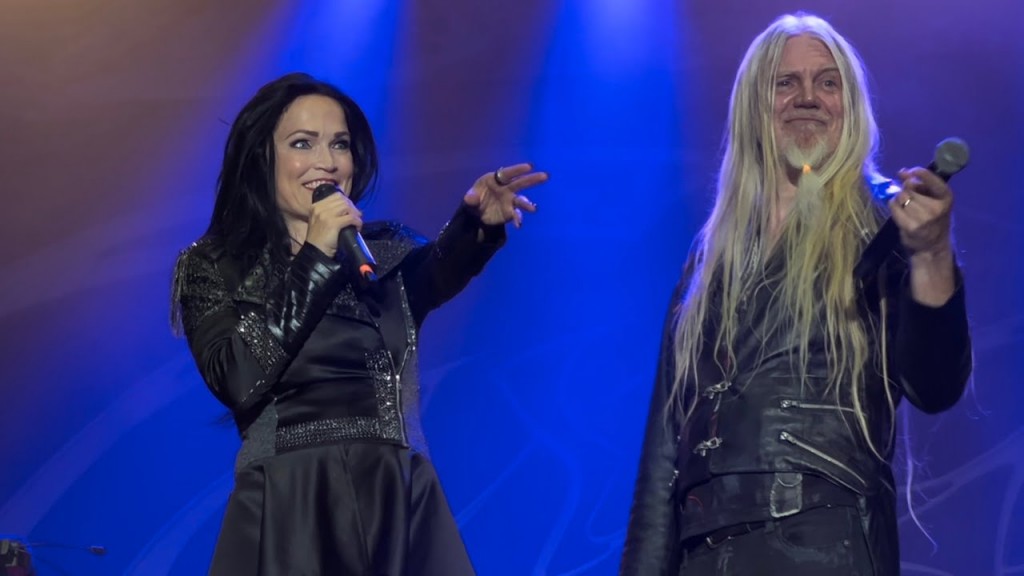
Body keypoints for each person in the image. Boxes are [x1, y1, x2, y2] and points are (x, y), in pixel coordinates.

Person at [620, 13, 971, 576]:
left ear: (850, 106)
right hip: (705, 556)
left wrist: (931, 255)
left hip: (824, 545)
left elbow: (935, 385)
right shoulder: (708, 260)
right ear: (754, 106)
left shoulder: (884, 225)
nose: (807, 97)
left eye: (827, 82)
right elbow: (663, 458)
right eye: (786, 82)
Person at [170, 72, 548, 575]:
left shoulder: (380, 252)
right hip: (291, 500)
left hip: (394, 494)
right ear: (262, 157)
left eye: (339, 144)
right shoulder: (215, 266)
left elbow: (437, 268)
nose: (327, 162)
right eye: (302, 143)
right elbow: (235, 376)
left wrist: (476, 223)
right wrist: (315, 255)